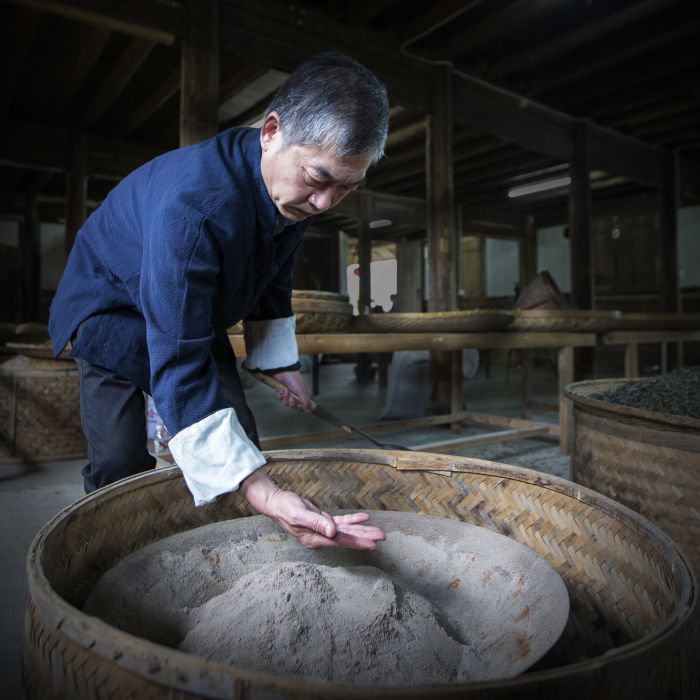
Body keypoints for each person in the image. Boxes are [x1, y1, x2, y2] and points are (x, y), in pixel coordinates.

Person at [49, 52, 389, 551]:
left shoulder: (292, 192)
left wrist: (280, 365)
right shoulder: (194, 206)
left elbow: (273, 274)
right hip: (111, 302)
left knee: (241, 436)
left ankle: (232, 545)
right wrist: (264, 492)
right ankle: (109, 557)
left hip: (186, 308)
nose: (325, 203)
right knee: (120, 459)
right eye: (318, 179)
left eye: (346, 188)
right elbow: (179, 360)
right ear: (271, 130)